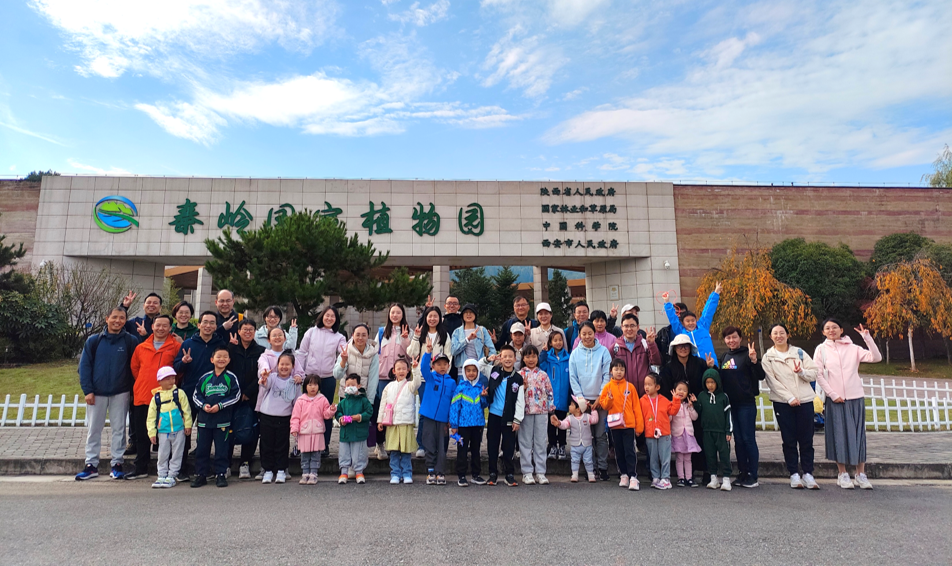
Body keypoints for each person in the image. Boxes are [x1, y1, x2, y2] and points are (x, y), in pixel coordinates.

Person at [813, 319, 882, 490]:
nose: (831, 330)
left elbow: (876, 357)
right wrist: (832, 394)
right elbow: (818, 374)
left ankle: (860, 474)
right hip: (835, 399)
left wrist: (867, 338)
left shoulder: (853, 348)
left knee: (858, 435)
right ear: (823, 332)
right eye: (827, 328)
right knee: (839, 436)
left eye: (835, 327)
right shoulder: (821, 349)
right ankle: (842, 474)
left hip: (855, 397)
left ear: (841, 329)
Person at [75, 308, 140, 481]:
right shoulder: (94, 341)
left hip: (121, 392)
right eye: (114, 317)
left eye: (122, 318)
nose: (117, 321)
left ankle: (117, 463)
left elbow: (135, 367)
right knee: (94, 429)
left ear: (125, 321)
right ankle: (91, 465)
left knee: (119, 429)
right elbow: (84, 367)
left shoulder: (130, 341)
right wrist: (88, 390)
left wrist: (132, 390)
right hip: (97, 393)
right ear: (107, 318)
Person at [762, 323, 820, 490]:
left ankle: (808, 473)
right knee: (789, 439)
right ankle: (793, 473)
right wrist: (789, 398)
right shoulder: (768, 357)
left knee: (806, 439)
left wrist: (801, 372)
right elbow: (772, 381)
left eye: (782, 332)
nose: (779, 336)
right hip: (783, 403)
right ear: (771, 337)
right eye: (775, 333)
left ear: (787, 335)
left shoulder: (799, 353)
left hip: (805, 400)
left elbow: (814, 372)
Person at [172, 311, 226, 480]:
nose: (208, 325)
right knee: (184, 432)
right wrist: (184, 362)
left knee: (207, 435)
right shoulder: (188, 343)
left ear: (216, 326)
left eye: (212, 323)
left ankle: (205, 469)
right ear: (199, 325)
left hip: (212, 397)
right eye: (205, 322)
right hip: (189, 394)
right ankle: (180, 468)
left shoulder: (220, 344)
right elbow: (176, 367)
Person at [128, 314, 180, 480]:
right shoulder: (141, 347)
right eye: (158, 325)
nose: (161, 328)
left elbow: (179, 371)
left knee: (166, 435)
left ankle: (167, 469)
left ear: (170, 328)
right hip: (143, 396)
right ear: (152, 326)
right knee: (142, 434)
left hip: (166, 398)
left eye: (165, 325)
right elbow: (135, 369)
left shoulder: (176, 347)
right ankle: (141, 467)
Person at [659, 334, 714, 484]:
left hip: (697, 406)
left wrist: (711, 367)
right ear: (674, 348)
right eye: (680, 346)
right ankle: (684, 475)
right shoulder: (668, 367)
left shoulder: (700, 363)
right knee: (681, 441)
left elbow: (710, 380)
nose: (683, 349)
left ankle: (704, 470)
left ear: (690, 348)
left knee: (700, 437)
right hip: (678, 410)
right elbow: (665, 390)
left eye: (686, 346)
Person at [718, 326, 766, 488]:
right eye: (728, 338)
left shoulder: (747, 354)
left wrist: (754, 361)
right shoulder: (725, 356)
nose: (731, 340)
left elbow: (761, 376)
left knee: (748, 439)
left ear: (740, 338)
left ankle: (753, 474)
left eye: (734, 337)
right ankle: (742, 472)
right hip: (731, 405)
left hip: (746, 404)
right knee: (738, 440)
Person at [296, 306, 347, 457]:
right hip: (310, 376)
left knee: (326, 411)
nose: (329, 318)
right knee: (306, 411)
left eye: (333, 316)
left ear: (336, 320)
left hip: (328, 377)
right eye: (327, 315)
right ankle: (301, 444)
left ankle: (324, 445)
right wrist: (301, 374)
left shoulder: (339, 337)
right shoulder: (311, 332)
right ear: (322, 316)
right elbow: (302, 352)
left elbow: (344, 353)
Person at [118, 290, 162, 455]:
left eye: (155, 303)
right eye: (148, 302)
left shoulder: (163, 323)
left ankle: (158, 441)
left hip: (158, 374)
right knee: (136, 409)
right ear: (143, 305)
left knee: (160, 409)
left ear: (160, 307)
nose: (151, 305)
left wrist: (147, 335)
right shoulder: (133, 323)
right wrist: (124, 307)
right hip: (137, 373)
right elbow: (116, 325)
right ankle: (134, 441)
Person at [190, 347, 240, 488]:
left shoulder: (231, 377)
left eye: (225, 357)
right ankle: (201, 474)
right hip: (204, 421)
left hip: (222, 421)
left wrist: (220, 405)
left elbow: (235, 395)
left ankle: (221, 474)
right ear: (212, 359)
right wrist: (203, 405)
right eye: (218, 356)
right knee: (202, 449)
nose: (221, 359)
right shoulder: (205, 378)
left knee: (222, 449)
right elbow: (196, 395)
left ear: (229, 360)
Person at [568, 322, 612, 480]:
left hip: (600, 400)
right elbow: (573, 377)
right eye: (583, 334)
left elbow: (607, 375)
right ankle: (590, 468)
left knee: (600, 435)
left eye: (589, 333)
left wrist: (600, 396)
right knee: (586, 436)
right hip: (582, 401)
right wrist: (581, 398)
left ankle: (603, 467)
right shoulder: (575, 354)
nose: (587, 337)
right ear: (579, 335)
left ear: (594, 334)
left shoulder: (604, 351)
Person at [593, 358, 645, 491]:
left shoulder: (630, 387)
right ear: (611, 371)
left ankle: (633, 476)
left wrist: (639, 426)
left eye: (622, 369)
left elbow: (636, 407)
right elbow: (604, 405)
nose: (619, 372)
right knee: (619, 451)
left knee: (629, 451)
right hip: (615, 425)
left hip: (628, 425)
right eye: (616, 369)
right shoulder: (607, 387)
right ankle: (623, 474)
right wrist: (609, 399)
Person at [408, 307, 450, 457]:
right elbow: (411, 353)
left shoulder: (444, 335)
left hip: (439, 379)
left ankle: (437, 444)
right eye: (429, 316)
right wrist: (415, 337)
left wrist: (443, 376)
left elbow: (448, 356)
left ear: (440, 318)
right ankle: (421, 444)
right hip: (424, 378)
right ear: (425, 318)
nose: (432, 319)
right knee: (425, 412)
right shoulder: (421, 333)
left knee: (438, 411)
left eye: (435, 316)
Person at [226, 319, 266, 479]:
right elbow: (225, 369)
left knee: (251, 428)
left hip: (252, 396)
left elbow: (261, 374)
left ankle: (245, 462)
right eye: (245, 329)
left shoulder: (261, 351)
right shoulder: (231, 349)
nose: (248, 332)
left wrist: (248, 391)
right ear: (239, 331)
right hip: (232, 396)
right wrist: (236, 392)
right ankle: (226, 464)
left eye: (251, 330)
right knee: (229, 429)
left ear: (255, 332)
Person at [480, 345, 524, 487]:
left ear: (515, 359)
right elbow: (479, 366)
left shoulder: (518, 378)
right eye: (504, 356)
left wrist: (517, 419)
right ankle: (492, 473)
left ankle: (509, 474)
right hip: (494, 415)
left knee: (508, 447)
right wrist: (488, 359)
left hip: (509, 417)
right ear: (500, 358)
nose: (507, 359)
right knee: (492, 446)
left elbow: (520, 401)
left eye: (510, 356)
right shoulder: (494, 371)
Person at [257, 347, 302, 484]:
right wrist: (264, 378)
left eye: (287, 364)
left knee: (282, 444)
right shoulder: (272, 377)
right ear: (277, 365)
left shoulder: (295, 382)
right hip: (267, 415)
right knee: (266, 444)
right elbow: (265, 384)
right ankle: (268, 470)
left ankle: (281, 470)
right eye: (281, 364)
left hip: (284, 417)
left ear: (293, 366)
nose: (284, 367)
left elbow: (297, 401)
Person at [372, 304, 410, 460]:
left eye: (398, 312)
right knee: (383, 410)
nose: (395, 315)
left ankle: (395, 443)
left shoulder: (408, 332)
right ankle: (380, 443)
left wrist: (406, 339)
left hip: (400, 378)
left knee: (397, 411)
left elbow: (411, 353)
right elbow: (374, 353)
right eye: (392, 312)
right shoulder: (382, 332)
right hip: (383, 377)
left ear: (403, 314)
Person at [377, 357, 423, 484]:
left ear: (408, 371)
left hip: (405, 423)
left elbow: (417, 383)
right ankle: (395, 473)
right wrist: (380, 420)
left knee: (406, 451)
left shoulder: (409, 385)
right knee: (394, 451)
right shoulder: (389, 387)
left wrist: (415, 369)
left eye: (404, 369)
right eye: (399, 369)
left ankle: (407, 473)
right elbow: (383, 404)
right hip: (392, 423)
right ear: (394, 371)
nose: (401, 371)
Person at [147, 366, 192, 488]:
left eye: (173, 378)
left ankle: (172, 475)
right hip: (163, 431)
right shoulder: (156, 397)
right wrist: (152, 432)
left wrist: (188, 425)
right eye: (167, 379)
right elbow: (151, 417)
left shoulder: (179, 393)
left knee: (177, 453)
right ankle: (161, 475)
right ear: (160, 381)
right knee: (162, 454)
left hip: (179, 430)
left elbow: (186, 410)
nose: (171, 381)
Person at [417, 345, 455, 486]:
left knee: (442, 446)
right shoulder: (430, 378)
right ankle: (431, 470)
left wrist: (452, 419)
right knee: (429, 443)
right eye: (439, 364)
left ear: (448, 366)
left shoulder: (452, 382)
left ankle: (440, 471)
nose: (442, 367)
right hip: (429, 417)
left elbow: (453, 402)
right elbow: (423, 368)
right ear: (433, 366)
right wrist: (427, 352)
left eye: (445, 364)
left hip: (443, 420)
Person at [517, 345, 554, 485]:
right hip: (525, 412)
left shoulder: (543, 375)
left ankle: (540, 472)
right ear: (523, 358)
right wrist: (523, 388)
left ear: (538, 358)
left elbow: (549, 393)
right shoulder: (519, 375)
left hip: (541, 412)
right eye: (528, 356)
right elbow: (514, 394)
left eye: (533, 356)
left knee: (540, 442)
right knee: (525, 442)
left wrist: (551, 411)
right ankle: (527, 472)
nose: (531, 359)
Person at [449, 359, 489, 487]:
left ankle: (476, 475)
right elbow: (455, 407)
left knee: (476, 450)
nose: (471, 373)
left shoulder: (480, 387)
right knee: (462, 450)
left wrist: (484, 397)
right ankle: (461, 475)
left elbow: (484, 405)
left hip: (477, 424)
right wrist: (454, 425)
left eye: (474, 370)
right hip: (463, 425)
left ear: (478, 372)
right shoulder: (460, 388)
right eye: (468, 370)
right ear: (464, 372)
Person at [291, 375, 337, 485]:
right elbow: (295, 416)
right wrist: (294, 428)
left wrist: (331, 410)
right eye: (310, 384)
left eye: (315, 385)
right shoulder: (300, 400)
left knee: (316, 454)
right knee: (305, 455)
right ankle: (305, 473)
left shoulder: (322, 399)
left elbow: (326, 415)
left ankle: (313, 474)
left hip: (317, 431)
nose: (312, 387)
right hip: (304, 432)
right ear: (305, 386)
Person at [694, 368, 733, 491]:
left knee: (724, 455)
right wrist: (695, 403)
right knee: (710, 455)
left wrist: (729, 430)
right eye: (707, 382)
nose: (710, 385)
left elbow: (728, 415)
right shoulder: (701, 396)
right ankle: (713, 478)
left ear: (717, 382)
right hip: (707, 431)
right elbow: (699, 411)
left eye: (712, 382)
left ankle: (726, 479)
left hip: (721, 432)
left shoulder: (723, 397)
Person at [640, 373, 680, 490]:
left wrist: (676, 400)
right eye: (645, 384)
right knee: (653, 458)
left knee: (664, 457)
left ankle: (666, 478)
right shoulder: (642, 400)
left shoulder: (664, 400)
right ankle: (656, 477)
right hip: (650, 433)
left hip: (664, 433)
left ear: (657, 387)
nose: (646, 387)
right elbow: (639, 415)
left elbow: (673, 411)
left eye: (649, 384)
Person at [662, 283, 722, 360]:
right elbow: (673, 318)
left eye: (693, 320)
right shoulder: (681, 331)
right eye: (687, 321)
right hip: (693, 365)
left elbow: (708, 311)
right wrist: (667, 302)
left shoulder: (703, 326)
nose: (691, 323)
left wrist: (715, 293)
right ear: (683, 323)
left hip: (710, 363)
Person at [336, 374, 374, 484]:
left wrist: (360, 417)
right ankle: (344, 472)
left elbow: (369, 412)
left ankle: (359, 472)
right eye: (348, 385)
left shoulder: (363, 401)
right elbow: (338, 413)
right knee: (344, 452)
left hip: (359, 432)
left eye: (353, 385)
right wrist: (341, 419)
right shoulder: (343, 402)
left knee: (359, 452)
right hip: (346, 432)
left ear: (358, 386)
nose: (350, 387)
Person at [550, 396, 598, 482]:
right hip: (575, 445)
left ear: (578, 409)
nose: (569, 406)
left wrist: (593, 410)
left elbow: (595, 420)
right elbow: (564, 424)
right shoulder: (570, 418)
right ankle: (574, 475)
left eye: (572, 405)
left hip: (587, 445)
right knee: (574, 460)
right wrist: (559, 423)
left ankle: (591, 475)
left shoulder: (587, 417)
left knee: (588, 461)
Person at [332, 323, 380, 409]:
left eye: (364, 335)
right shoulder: (346, 351)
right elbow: (337, 375)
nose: (360, 338)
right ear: (352, 335)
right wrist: (343, 361)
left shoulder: (373, 354)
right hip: (346, 396)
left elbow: (373, 379)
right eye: (357, 335)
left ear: (368, 336)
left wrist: (369, 401)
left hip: (363, 397)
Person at [539, 331, 570, 461]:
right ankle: (552, 445)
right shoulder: (548, 358)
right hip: (550, 399)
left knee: (562, 424)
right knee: (551, 425)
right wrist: (543, 353)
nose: (558, 342)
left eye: (560, 340)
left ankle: (562, 446)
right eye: (555, 340)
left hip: (563, 398)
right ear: (551, 343)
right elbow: (540, 366)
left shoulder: (568, 358)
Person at [670, 381, 701, 487]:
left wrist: (692, 407)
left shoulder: (688, 405)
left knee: (688, 458)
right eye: (679, 389)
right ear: (674, 391)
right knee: (679, 458)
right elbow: (669, 418)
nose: (681, 392)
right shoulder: (672, 404)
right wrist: (674, 404)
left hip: (688, 435)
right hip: (678, 435)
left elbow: (695, 417)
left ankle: (689, 478)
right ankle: (681, 478)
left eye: (684, 390)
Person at [451, 304, 495, 370]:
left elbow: (492, 350)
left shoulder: (482, 330)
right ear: (462, 315)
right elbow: (453, 351)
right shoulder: (457, 332)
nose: (468, 314)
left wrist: (486, 364)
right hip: (462, 370)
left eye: (471, 312)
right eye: (466, 312)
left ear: (475, 314)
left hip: (480, 369)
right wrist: (467, 339)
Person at [655, 302, 688, 366]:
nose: (679, 315)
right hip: (668, 366)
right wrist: (652, 343)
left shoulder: (692, 332)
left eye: (682, 313)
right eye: (676, 313)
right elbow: (657, 352)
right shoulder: (663, 332)